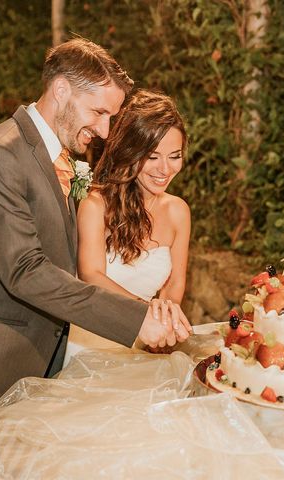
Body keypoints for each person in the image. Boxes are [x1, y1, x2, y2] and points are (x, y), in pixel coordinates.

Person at [0, 38, 192, 479]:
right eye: (99, 112)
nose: (107, 128)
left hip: (30, 375)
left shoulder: (55, 159)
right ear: (61, 92)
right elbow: (26, 271)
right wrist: (136, 318)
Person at [65, 90, 191, 356]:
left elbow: (174, 284)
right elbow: (91, 276)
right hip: (90, 343)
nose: (165, 169)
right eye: (153, 156)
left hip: (144, 346)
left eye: (175, 156)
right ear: (130, 152)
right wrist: (144, 313)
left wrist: (164, 321)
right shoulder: (95, 206)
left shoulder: (178, 211)